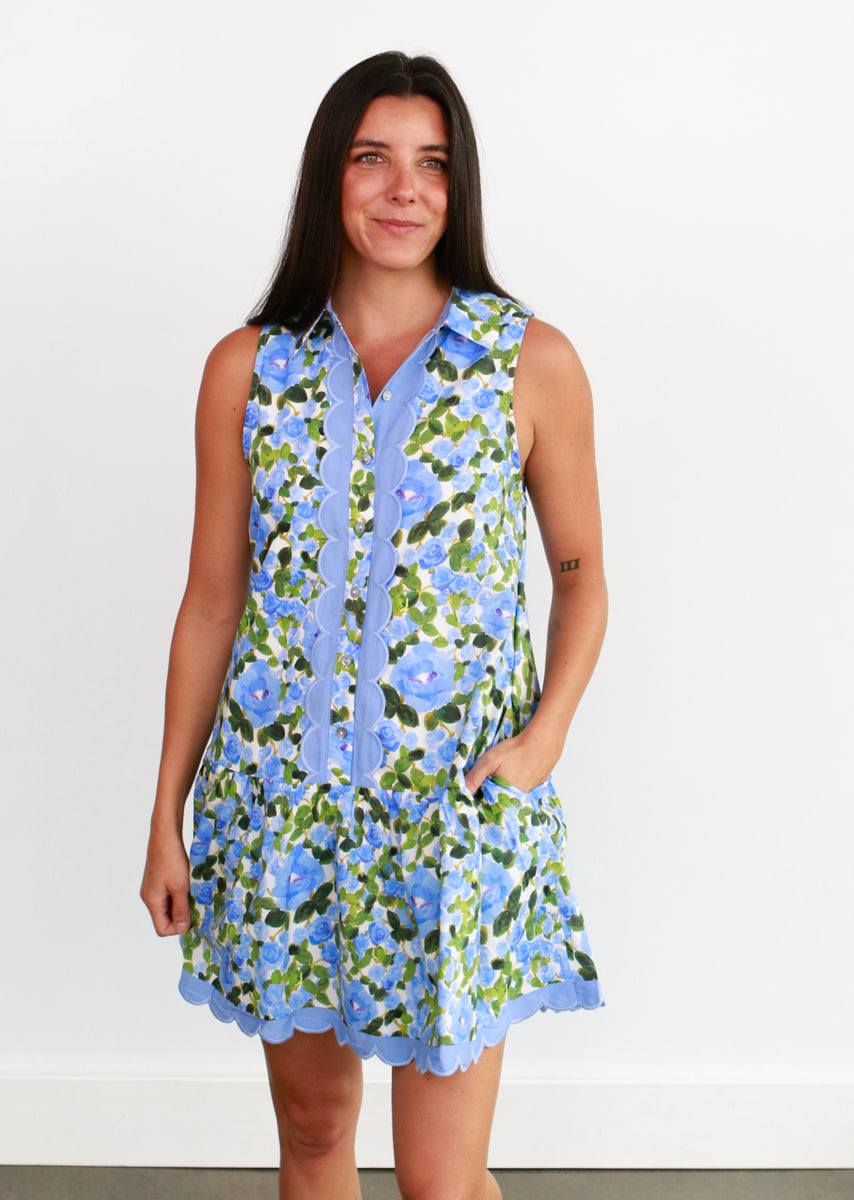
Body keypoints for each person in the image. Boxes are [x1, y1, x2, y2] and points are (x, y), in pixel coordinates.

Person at [141, 49, 608, 1200]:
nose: (404, 189)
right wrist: (166, 814)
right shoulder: (248, 370)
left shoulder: (527, 362)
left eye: (432, 164)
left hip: (454, 817)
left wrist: (543, 737)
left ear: (459, 188)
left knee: (441, 1177)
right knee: (313, 1137)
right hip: (279, 811)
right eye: (372, 158)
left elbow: (582, 574)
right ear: (329, 177)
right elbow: (211, 601)